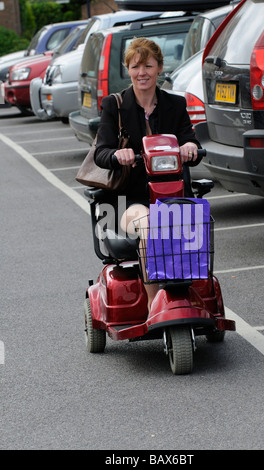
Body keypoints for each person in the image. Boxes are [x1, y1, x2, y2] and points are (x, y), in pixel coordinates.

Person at [94, 37, 201, 311]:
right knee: (152, 227)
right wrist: (119, 155)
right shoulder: (114, 105)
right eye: (135, 66)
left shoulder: (175, 105)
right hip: (131, 201)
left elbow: (191, 142)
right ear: (127, 69)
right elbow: (100, 153)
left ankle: (187, 296)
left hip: (172, 197)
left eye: (149, 66)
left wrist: (190, 147)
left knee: (187, 223)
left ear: (160, 68)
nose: (142, 72)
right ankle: (156, 304)